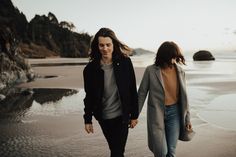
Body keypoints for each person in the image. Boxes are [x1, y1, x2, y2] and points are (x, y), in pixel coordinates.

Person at [83, 27, 139, 157]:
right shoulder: (90, 70)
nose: (105, 48)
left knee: (117, 152)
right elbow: (89, 96)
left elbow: (132, 89)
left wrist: (134, 115)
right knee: (115, 150)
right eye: (101, 45)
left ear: (114, 45)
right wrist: (88, 119)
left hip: (122, 116)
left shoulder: (125, 63)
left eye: (108, 45)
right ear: (97, 46)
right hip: (104, 118)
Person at [138, 41, 192, 157]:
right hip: (157, 114)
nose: (173, 60)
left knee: (171, 151)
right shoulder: (151, 71)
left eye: (175, 57)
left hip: (175, 114)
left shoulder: (180, 71)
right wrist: (134, 115)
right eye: (171, 57)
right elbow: (142, 93)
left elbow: (185, 98)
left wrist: (187, 119)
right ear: (163, 56)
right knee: (161, 152)